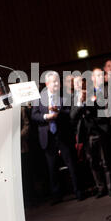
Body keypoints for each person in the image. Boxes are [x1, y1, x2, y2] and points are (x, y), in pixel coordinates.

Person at [31, 72, 84, 205]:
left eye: (57, 82)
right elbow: (34, 115)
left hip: (63, 134)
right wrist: (46, 117)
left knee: (71, 164)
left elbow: (69, 113)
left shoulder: (64, 96)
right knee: (52, 167)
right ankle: (57, 195)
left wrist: (58, 113)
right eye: (53, 82)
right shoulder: (39, 97)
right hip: (47, 136)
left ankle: (79, 191)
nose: (56, 84)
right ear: (47, 83)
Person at [70, 68, 111, 197]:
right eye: (76, 84)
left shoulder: (95, 93)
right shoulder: (74, 99)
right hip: (86, 135)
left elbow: (102, 110)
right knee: (93, 162)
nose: (79, 85)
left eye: (81, 83)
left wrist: (90, 101)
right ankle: (100, 187)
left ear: (86, 83)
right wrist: (81, 103)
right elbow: (73, 117)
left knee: (106, 161)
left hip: (100, 131)